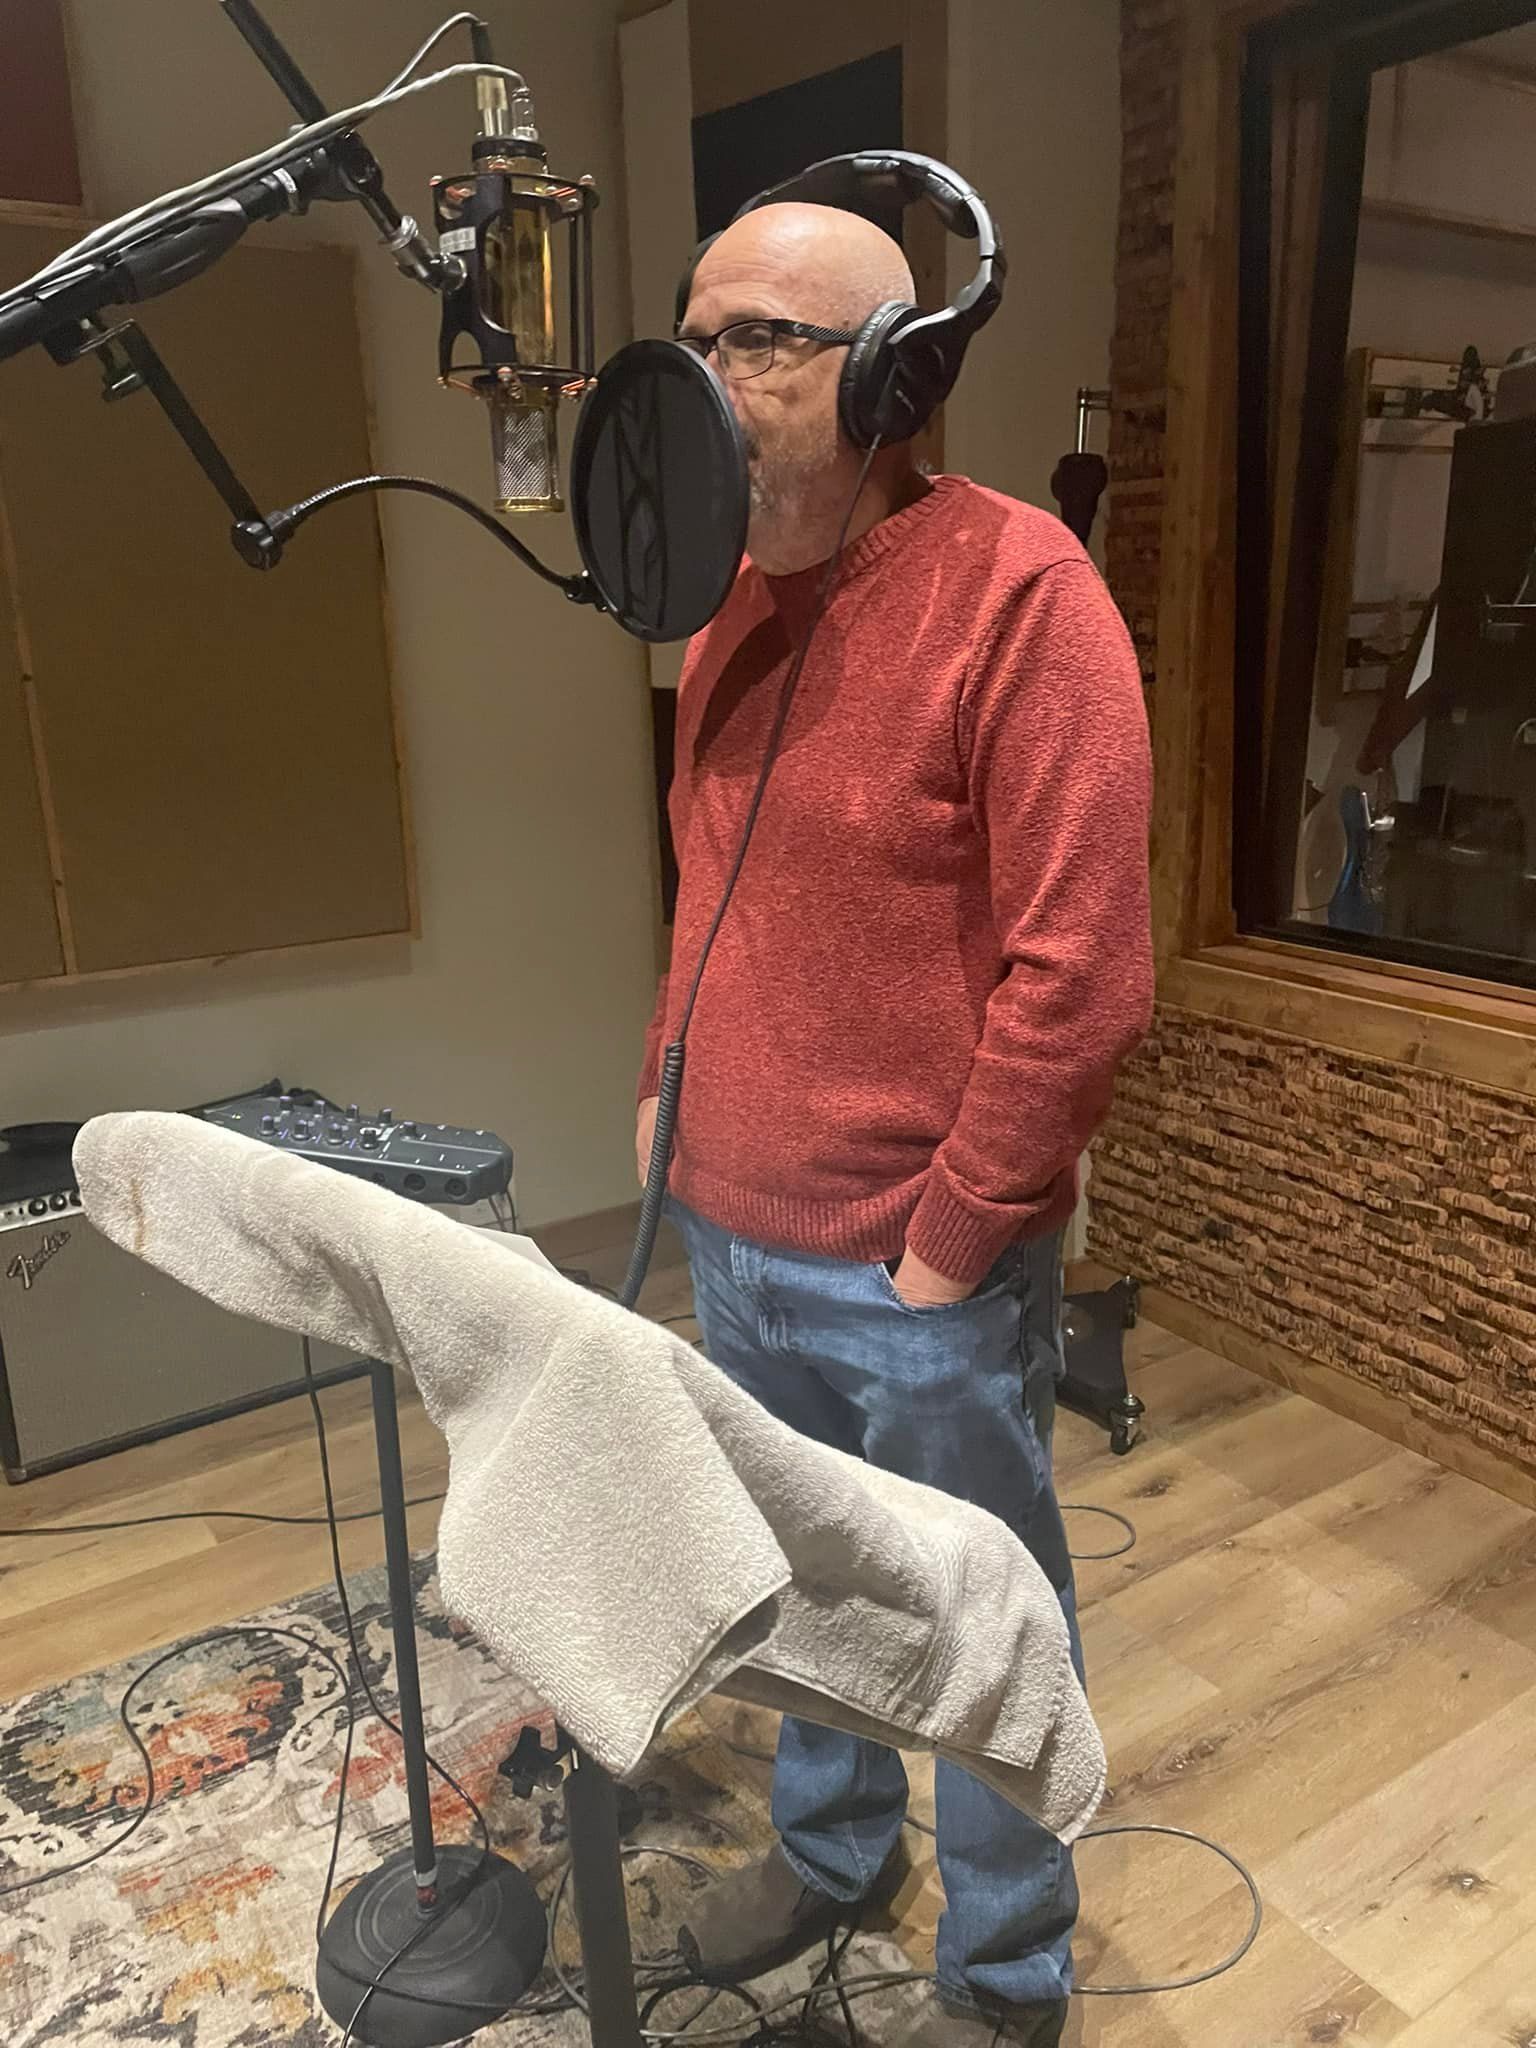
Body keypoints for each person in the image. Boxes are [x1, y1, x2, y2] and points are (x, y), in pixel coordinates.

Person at [636, 199, 1153, 2048]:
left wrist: (951, 1238)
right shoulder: (720, 607)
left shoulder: (1024, 594)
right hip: (732, 1236)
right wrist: (666, 1085)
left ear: (889, 378)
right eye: (698, 334)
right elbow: (712, 882)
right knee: (796, 1592)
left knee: (976, 1619)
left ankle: (1005, 1973)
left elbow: (1082, 971)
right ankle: (835, 1850)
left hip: (914, 1273)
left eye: (759, 339)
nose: (709, 376)